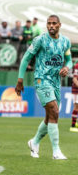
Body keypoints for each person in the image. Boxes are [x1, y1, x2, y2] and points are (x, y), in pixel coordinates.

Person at [15, 15, 72, 160]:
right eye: (49, 23)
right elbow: (26, 58)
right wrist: (20, 79)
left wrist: (67, 67)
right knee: (54, 111)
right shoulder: (40, 39)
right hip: (42, 81)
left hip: (55, 82)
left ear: (59, 25)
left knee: (50, 116)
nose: (51, 26)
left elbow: (69, 61)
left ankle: (34, 142)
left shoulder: (65, 41)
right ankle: (56, 151)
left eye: (54, 23)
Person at [71, 61, 78, 132]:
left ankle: (76, 123)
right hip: (76, 89)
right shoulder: (77, 66)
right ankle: (72, 125)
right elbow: (74, 79)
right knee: (76, 106)